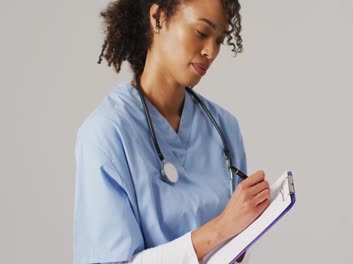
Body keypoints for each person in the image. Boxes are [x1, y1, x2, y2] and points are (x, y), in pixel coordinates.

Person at [73, 0, 271, 263]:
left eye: (220, 40)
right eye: (201, 33)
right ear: (158, 18)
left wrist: (249, 223)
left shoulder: (224, 128)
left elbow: (234, 250)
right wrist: (221, 228)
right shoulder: (106, 134)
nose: (210, 51)